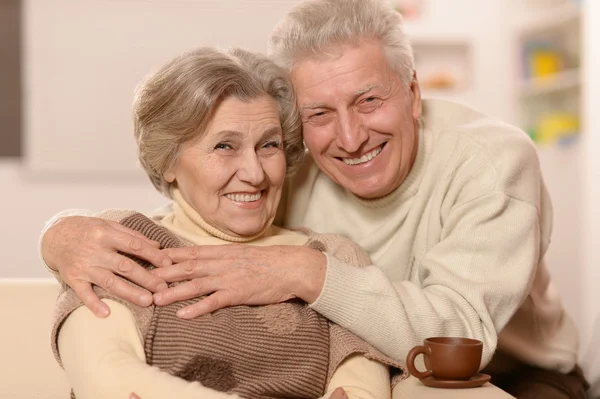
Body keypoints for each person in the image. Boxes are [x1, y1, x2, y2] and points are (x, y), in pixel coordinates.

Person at [41, 0, 588, 397]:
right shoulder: (287, 163)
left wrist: (309, 273)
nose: (349, 139)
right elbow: (193, 196)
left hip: (509, 370)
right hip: (385, 370)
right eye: (319, 114)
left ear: (414, 93)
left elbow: (459, 340)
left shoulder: (491, 162)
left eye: (369, 100)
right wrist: (59, 232)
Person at [49, 46, 404, 399]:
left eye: (268, 145)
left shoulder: (333, 257)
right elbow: (107, 380)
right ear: (168, 161)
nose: (254, 173)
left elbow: (362, 392)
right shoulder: (117, 242)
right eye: (224, 147)